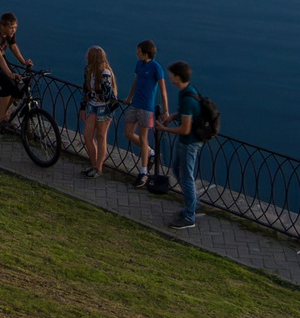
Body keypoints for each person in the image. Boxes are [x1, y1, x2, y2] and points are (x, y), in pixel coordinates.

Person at [160, 61, 219, 229]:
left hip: (190, 143)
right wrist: (173, 116)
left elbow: (185, 129)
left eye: (171, 74)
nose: (169, 77)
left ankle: (189, 216)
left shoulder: (186, 98)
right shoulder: (188, 90)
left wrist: (164, 129)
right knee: (177, 169)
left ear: (178, 77)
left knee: (186, 177)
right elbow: (187, 114)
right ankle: (193, 204)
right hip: (188, 141)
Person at [121, 39, 168, 186]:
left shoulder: (156, 68)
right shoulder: (139, 64)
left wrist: (166, 111)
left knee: (143, 137)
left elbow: (163, 90)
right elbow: (135, 82)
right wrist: (129, 98)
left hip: (147, 108)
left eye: (139, 52)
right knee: (128, 133)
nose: (137, 54)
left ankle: (143, 172)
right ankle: (150, 152)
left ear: (146, 53)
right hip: (135, 104)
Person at [77, 46, 119, 180]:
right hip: (92, 106)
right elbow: (85, 89)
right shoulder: (88, 70)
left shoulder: (105, 73)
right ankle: (94, 165)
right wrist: (83, 107)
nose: (85, 57)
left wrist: (94, 94)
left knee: (101, 136)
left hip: (104, 108)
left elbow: (108, 96)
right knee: (87, 135)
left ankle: (98, 168)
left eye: (88, 55)